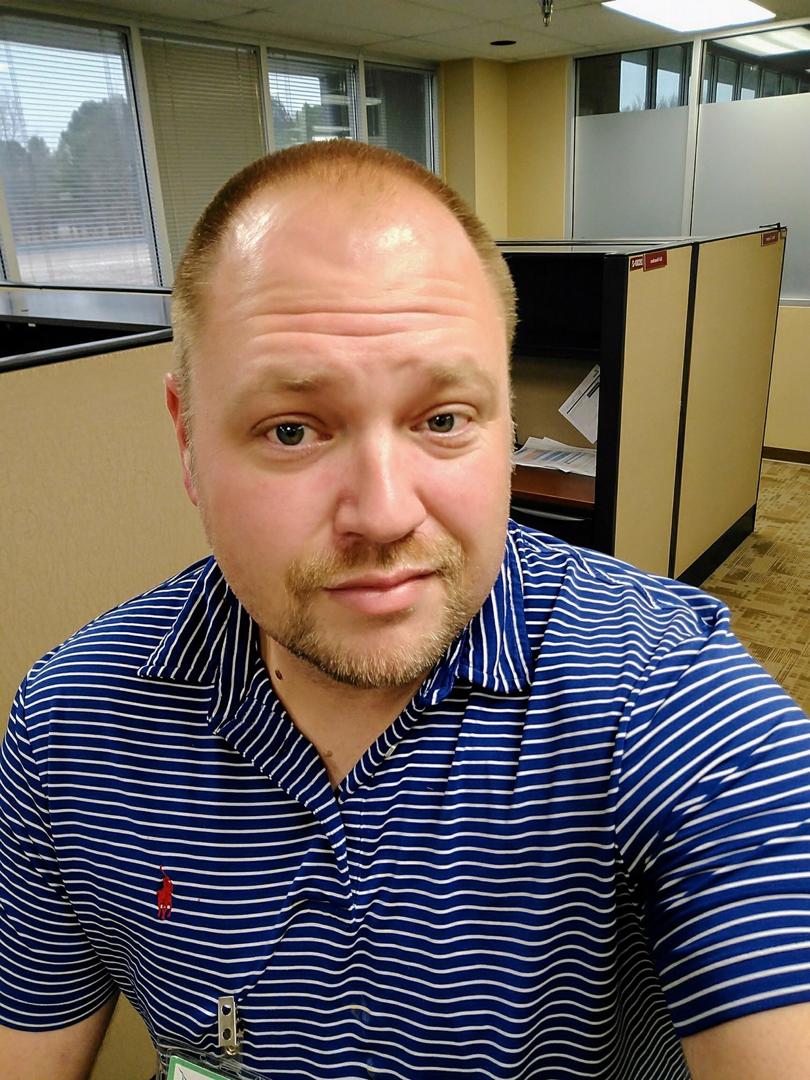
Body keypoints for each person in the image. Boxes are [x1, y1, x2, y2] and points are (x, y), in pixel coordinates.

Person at [1, 140, 809, 1080]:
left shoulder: (673, 706)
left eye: (443, 420)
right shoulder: (72, 722)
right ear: (186, 439)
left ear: (507, 423)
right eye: (292, 430)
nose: (385, 515)